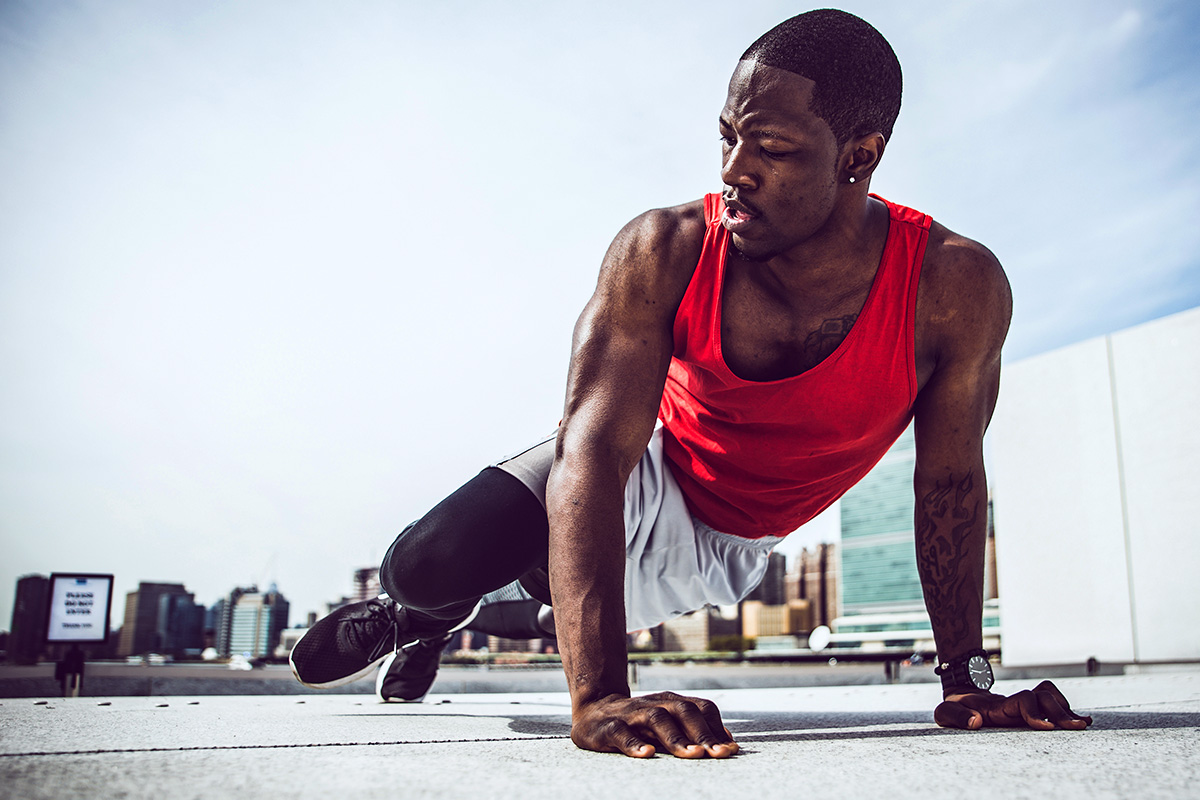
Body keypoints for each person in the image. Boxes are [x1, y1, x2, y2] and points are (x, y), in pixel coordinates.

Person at [290, 9, 1093, 758]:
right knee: (427, 563)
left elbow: (950, 483)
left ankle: (441, 622)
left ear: (859, 155)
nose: (736, 170)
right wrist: (600, 698)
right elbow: (591, 455)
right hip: (650, 465)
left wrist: (967, 683)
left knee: (545, 608)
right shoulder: (666, 247)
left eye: (772, 149)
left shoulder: (953, 287)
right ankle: (415, 615)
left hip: (732, 543)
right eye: (727, 137)